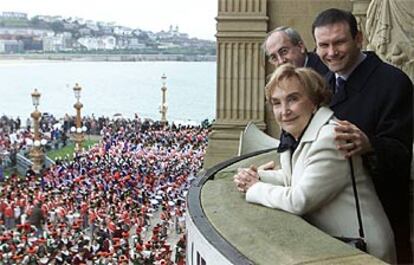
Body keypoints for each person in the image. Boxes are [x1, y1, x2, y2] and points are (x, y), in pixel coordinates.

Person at [234, 64, 396, 263]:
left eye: (293, 99)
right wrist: (258, 176)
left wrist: (255, 188)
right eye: (276, 103)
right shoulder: (298, 134)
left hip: (364, 250)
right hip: (340, 245)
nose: (284, 111)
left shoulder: (330, 138)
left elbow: (299, 200)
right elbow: (295, 178)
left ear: (313, 102)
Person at [312, 8, 413, 264]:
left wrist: (369, 145)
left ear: (359, 39)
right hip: (330, 214)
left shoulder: (394, 82)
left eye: (339, 42)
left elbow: (402, 153)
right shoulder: (320, 84)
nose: (331, 52)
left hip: (381, 215)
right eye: (324, 45)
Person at [263, 26, 328, 75]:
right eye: (274, 57)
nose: (281, 61)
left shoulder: (325, 70)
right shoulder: (281, 80)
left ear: (301, 47)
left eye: (284, 51)